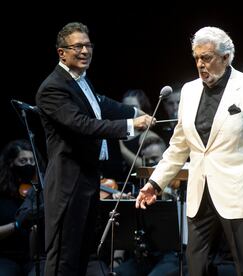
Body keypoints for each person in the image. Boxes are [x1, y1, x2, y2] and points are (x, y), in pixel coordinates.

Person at [136, 26, 243, 276]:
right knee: (196, 268)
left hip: (239, 193)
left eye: (206, 58)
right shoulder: (189, 90)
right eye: (196, 58)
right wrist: (155, 183)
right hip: (201, 194)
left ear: (226, 57)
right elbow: (178, 146)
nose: (200, 64)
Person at [35, 22, 154, 276]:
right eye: (78, 46)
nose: (85, 51)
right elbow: (83, 125)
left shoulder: (79, 81)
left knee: (83, 254)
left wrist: (136, 111)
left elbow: (101, 103)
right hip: (68, 183)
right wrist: (130, 125)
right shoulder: (53, 88)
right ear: (61, 53)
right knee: (63, 258)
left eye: (88, 45)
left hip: (88, 178)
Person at [0, 139, 38, 275]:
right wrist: (17, 224)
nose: (28, 165)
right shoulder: (2, 196)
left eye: (32, 161)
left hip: (32, 259)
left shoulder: (37, 192)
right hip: (5, 257)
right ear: (11, 163)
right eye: (23, 161)